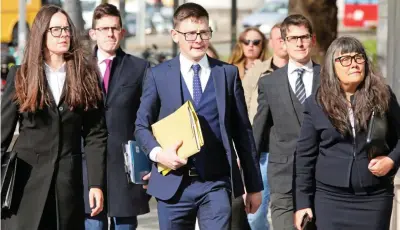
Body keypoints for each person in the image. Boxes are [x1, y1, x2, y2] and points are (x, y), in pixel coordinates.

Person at [135, 3, 263, 230]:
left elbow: (243, 132)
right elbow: (141, 126)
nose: (198, 39)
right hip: (173, 185)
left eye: (204, 32)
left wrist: (253, 186)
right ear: (175, 35)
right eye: (190, 33)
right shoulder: (158, 75)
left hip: (216, 183)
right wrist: (159, 154)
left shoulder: (226, 74)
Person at [1, 5, 106, 230]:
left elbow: (95, 134)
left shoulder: (85, 75)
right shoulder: (20, 75)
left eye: (67, 29)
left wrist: (96, 183)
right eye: (56, 30)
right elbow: (2, 133)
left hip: (67, 186)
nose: (64, 35)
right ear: (42, 34)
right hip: (25, 185)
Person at [293, 36, 400, 230]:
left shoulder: (383, 95)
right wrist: (303, 203)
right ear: (332, 66)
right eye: (345, 59)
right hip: (329, 198)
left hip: (374, 197)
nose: (354, 64)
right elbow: (304, 157)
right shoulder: (316, 103)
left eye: (359, 58)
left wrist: (391, 160)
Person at [82, 3, 151, 230]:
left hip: (126, 166)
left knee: (125, 225)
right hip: (88, 166)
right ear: (93, 33)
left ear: (122, 31)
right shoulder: (79, 70)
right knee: (92, 224)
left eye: (114, 28)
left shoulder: (139, 68)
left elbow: (149, 117)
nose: (110, 33)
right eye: (104, 28)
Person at [252, 14, 320, 230]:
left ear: (313, 39)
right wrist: (248, 179)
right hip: (283, 178)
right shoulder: (269, 83)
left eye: (304, 37)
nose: (300, 43)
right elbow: (258, 130)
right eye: (293, 38)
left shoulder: (329, 78)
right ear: (283, 42)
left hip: (322, 176)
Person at [241, 22, 289, 230]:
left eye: (286, 37)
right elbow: (240, 107)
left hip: (289, 151)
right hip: (261, 151)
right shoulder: (257, 72)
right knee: (254, 213)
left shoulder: (303, 72)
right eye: (278, 38)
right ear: (272, 42)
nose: (283, 43)